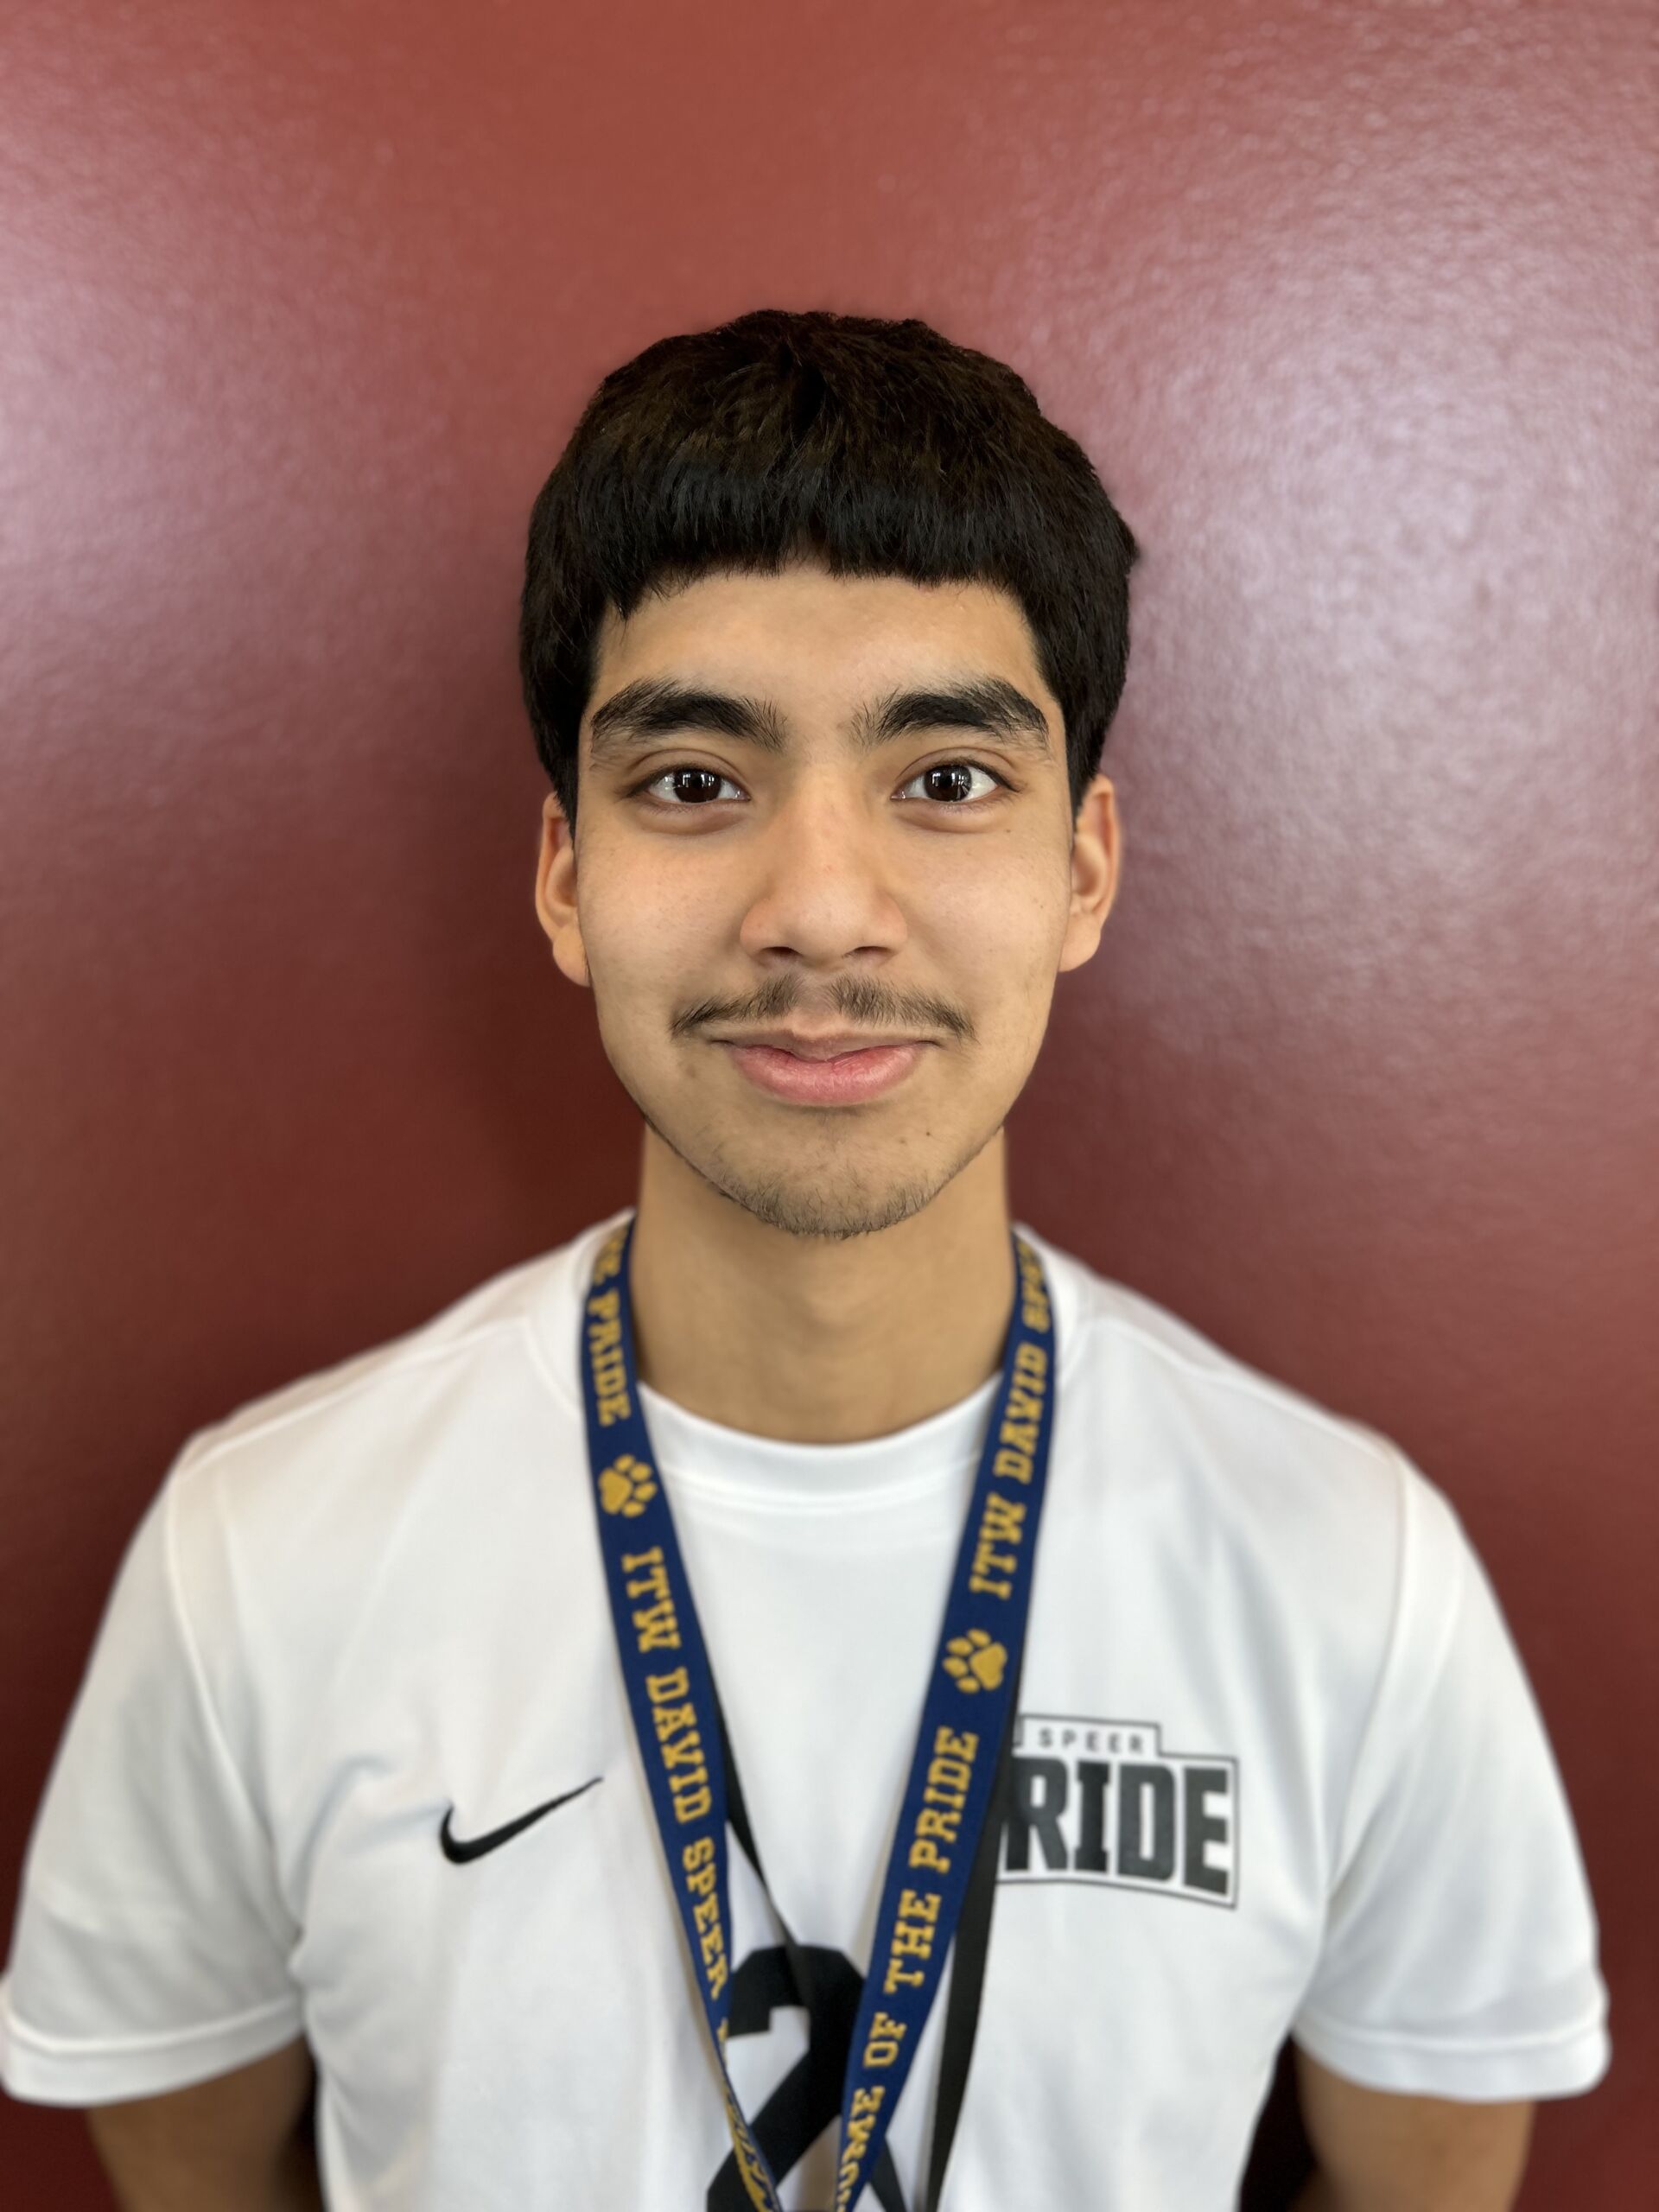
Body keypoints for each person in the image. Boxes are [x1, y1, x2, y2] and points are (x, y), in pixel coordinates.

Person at [0, 308, 1609, 2211]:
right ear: (563, 875)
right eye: (694, 776)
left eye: (946, 778)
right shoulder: (255, 1556)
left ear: (1084, 866)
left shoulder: (1356, 1576)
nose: (821, 908)